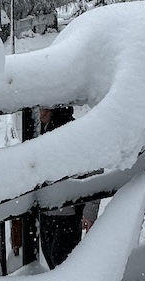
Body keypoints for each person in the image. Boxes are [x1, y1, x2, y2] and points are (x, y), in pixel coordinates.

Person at [38, 106, 99, 269]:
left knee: (63, 263)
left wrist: (89, 213)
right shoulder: (44, 134)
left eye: (45, 111)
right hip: (46, 211)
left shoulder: (76, 135)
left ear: (56, 112)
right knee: (51, 258)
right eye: (41, 110)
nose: (41, 115)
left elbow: (95, 174)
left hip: (68, 213)